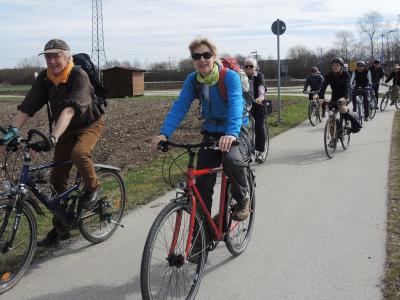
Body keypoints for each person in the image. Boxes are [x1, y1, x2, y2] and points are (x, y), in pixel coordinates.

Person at [0, 39, 105, 247]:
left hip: (89, 123)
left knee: (79, 153)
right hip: (65, 128)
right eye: (48, 56)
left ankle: (94, 188)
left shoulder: (79, 76)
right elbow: (27, 106)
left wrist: (53, 137)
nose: (52, 60)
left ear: (67, 56)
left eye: (56, 55)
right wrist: (12, 132)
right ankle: (60, 229)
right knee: (57, 180)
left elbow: (69, 110)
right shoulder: (45, 79)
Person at [151, 37, 251, 222]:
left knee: (232, 160)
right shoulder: (193, 80)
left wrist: (231, 133)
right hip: (211, 132)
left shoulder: (228, 77)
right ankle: (201, 233)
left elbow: (236, 104)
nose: (201, 60)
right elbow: (180, 106)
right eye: (196, 56)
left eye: (206, 55)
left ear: (214, 56)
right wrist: (164, 133)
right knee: (203, 184)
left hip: (236, 129)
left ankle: (243, 198)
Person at [319, 57, 362, 138]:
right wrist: (321, 98)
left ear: (341, 66)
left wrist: (346, 98)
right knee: (331, 117)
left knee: (342, 108)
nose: (335, 67)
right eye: (333, 65)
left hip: (345, 96)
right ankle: (333, 138)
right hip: (334, 97)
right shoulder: (329, 75)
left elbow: (348, 87)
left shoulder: (346, 75)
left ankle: (348, 121)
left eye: (337, 65)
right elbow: (323, 87)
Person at [243, 57, 267, 163]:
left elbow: (261, 87)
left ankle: (260, 152)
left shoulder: (259, 76)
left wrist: (261, 97)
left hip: (258, 103)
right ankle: (246, 153)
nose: (248, 68)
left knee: (259, 127)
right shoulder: (241, 77)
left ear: (255, 67)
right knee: (242, 128)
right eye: (246, 66)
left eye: (251, 66)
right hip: (245, 104)